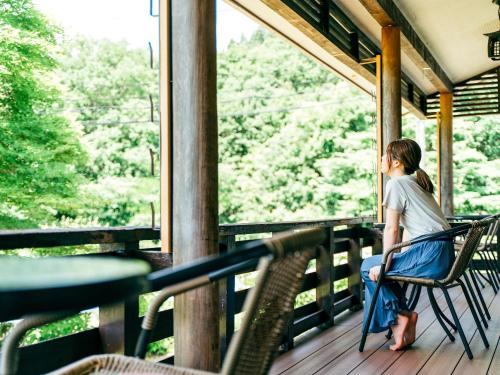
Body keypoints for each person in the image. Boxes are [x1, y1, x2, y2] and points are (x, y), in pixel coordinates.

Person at [361, 138, 454, 351]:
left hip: (430, 255)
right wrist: (394, 259)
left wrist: (385, 264)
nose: (382, 158)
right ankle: (402, 316)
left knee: (369, 268)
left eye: (385, 154)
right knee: (379, 269)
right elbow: (410, 230)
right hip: (441, 254)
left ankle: (400, 317)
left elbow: (392, 229)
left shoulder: (396, 184)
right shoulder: (416, 183)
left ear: (396, 162)